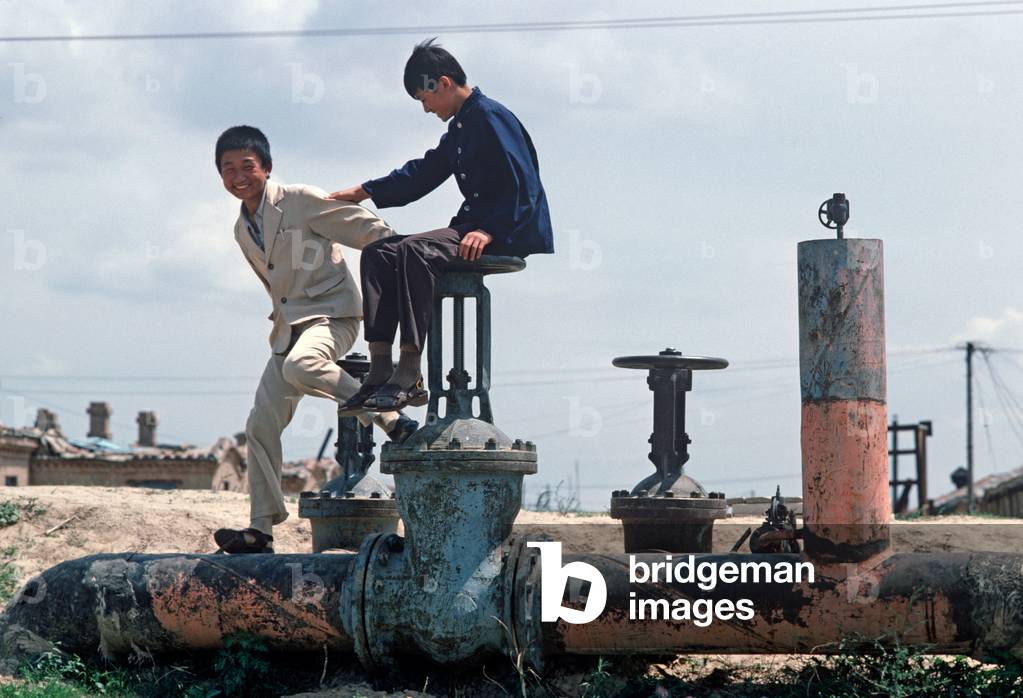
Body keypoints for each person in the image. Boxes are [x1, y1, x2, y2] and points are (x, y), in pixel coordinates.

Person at [212, 125, 418, 554]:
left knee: (303, 366)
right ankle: (260, 530)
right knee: (260, 425)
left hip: (334, 317)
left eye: (246, 166)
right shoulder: (240, 229)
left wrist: (400, 264)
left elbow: (370, 231)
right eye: (228, 169)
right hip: (288, 329)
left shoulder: (301, 200)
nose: (238, 176)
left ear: (266, 168)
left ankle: (393, 421)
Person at [329, 39, 554, 413]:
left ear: (443, 83)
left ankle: (410, 373)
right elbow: (425, 172)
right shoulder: (464, 127)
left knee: (416, 250)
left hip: (505, 230)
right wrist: (366, 191)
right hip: (473, 227)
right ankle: (381, 368)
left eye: (424, 98)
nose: (425, 108)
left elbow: (524, 183)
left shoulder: (490, 116)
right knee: (379, 252)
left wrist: (490, 231)